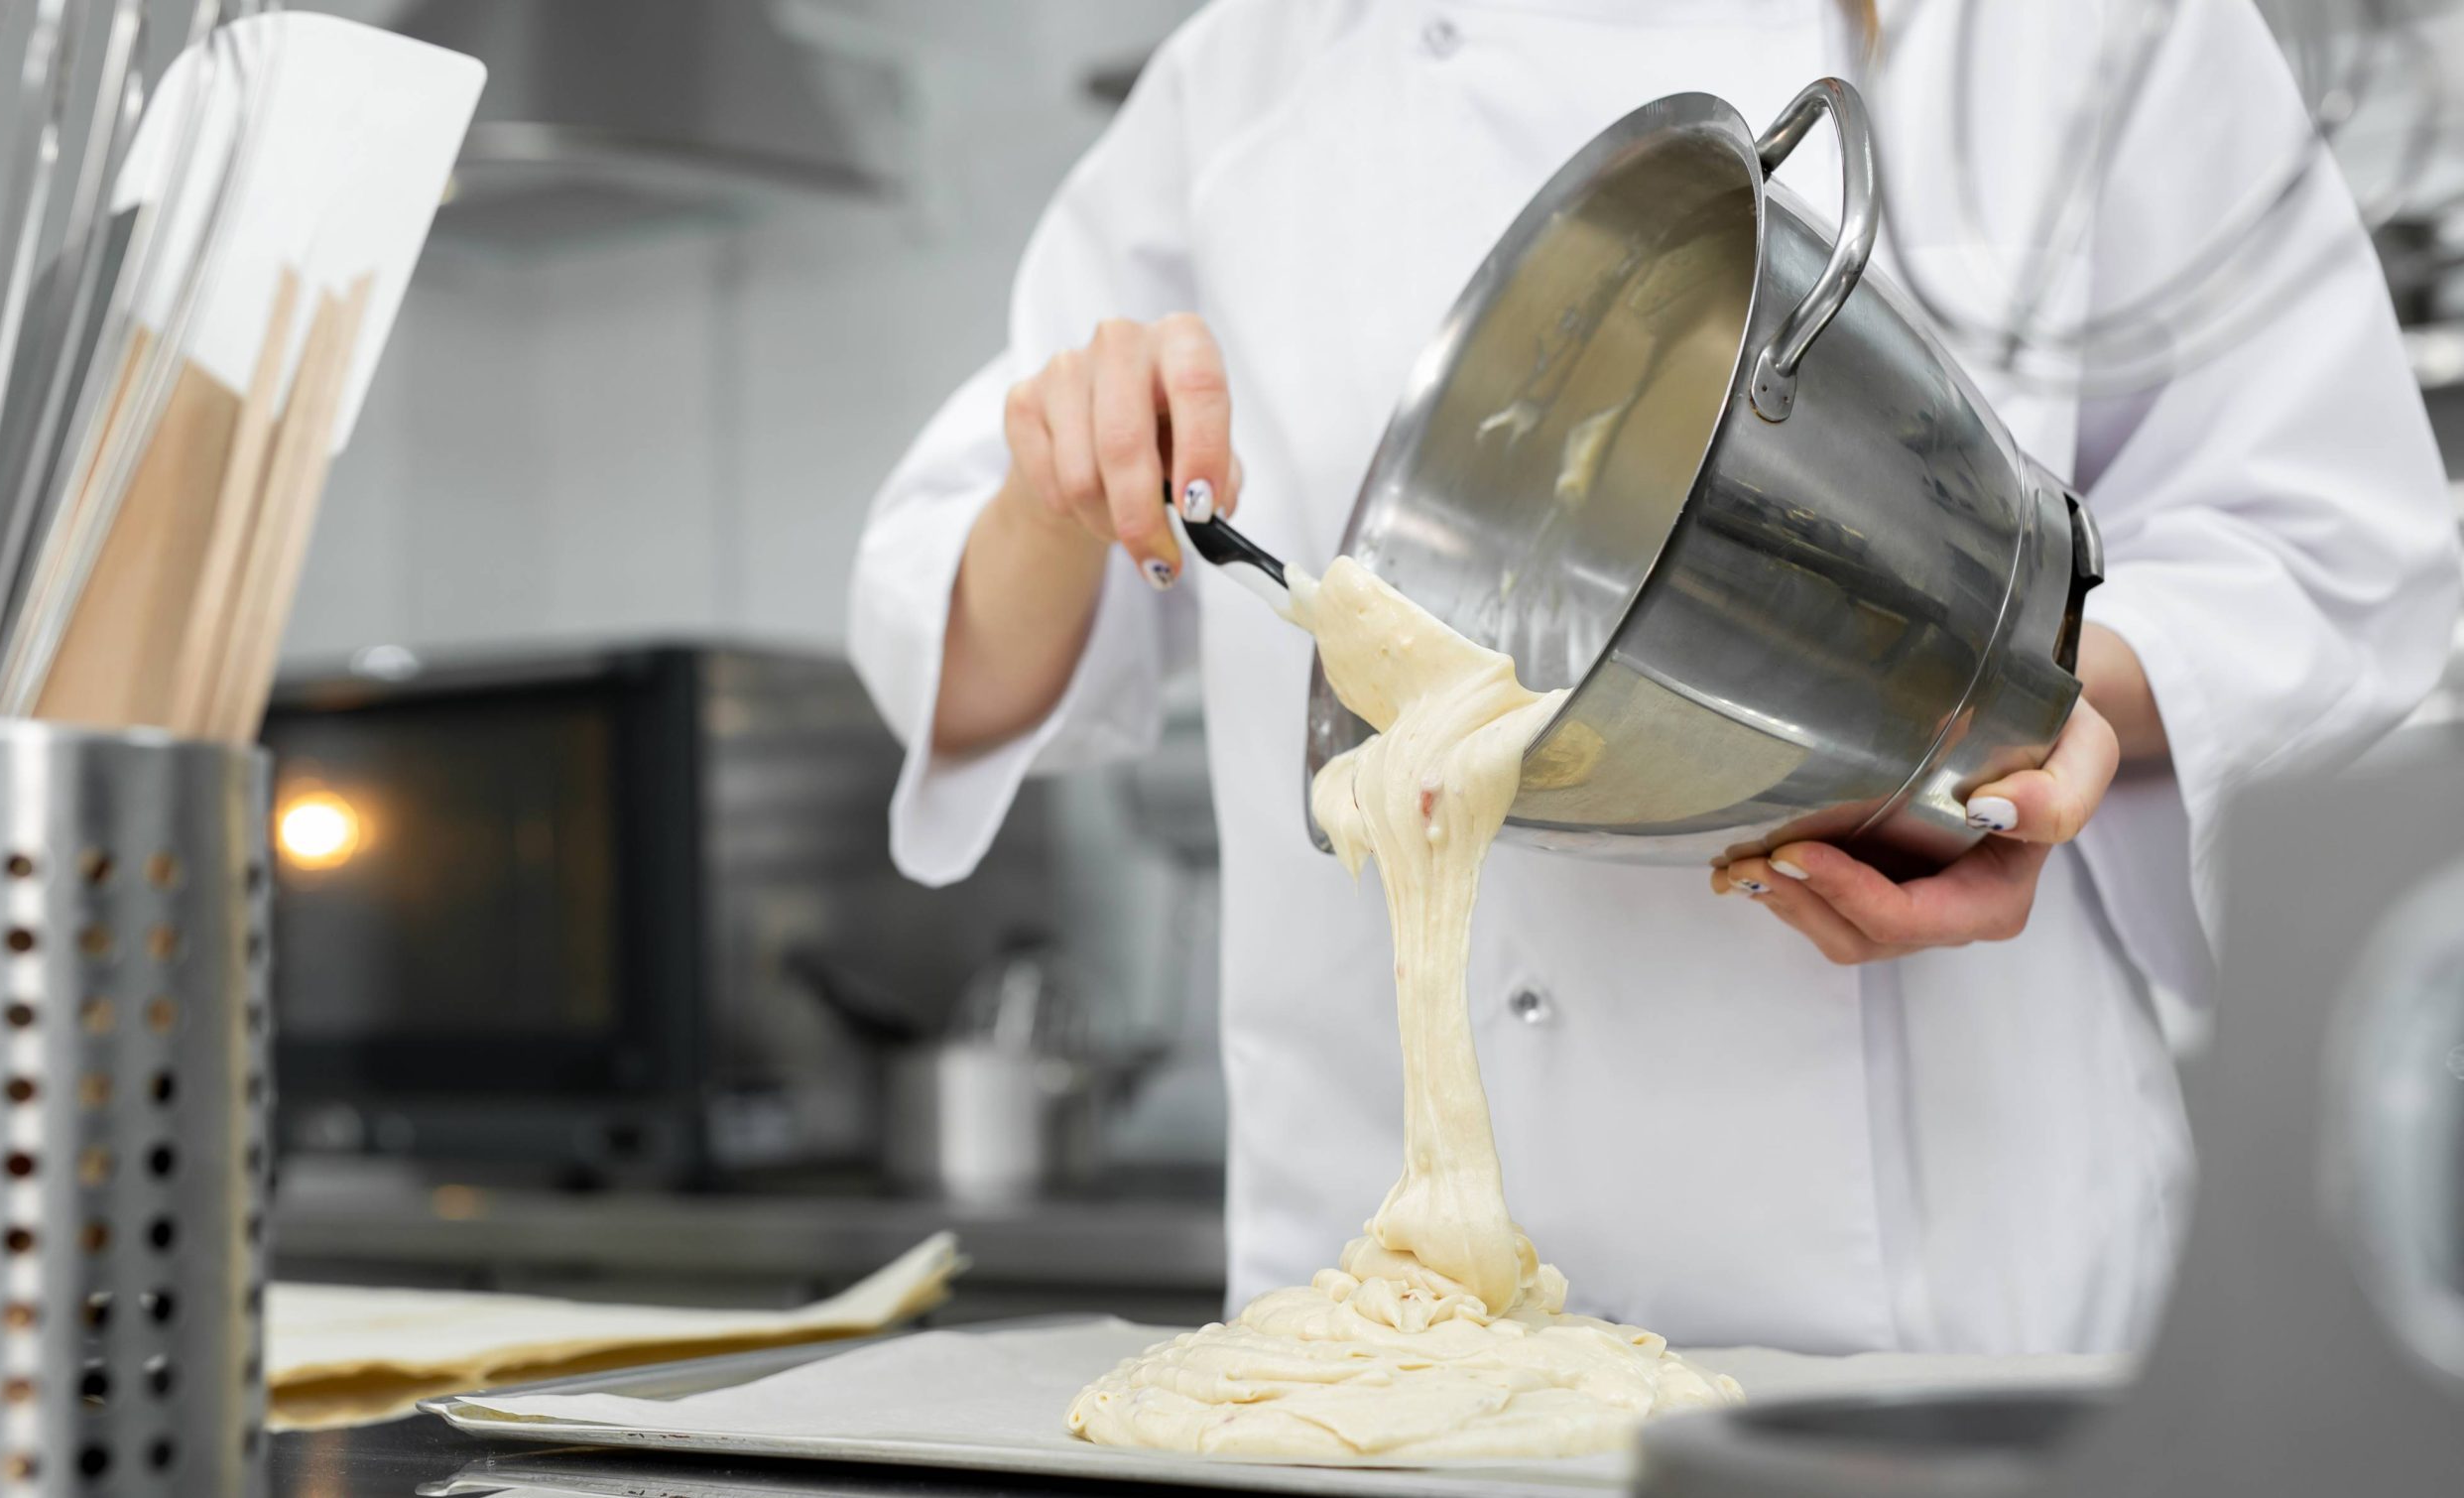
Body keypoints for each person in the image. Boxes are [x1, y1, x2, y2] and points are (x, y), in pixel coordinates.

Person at [847, 0, 2460, 1353]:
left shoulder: (2052, 23)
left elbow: (2346, 560)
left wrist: (2005, 705)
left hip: (1935, 1331)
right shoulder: (1250, 77)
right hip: (1373, 1353)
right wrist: (1063, 491)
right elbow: (954, 675)